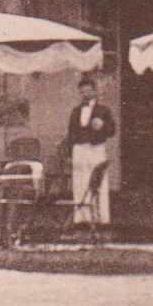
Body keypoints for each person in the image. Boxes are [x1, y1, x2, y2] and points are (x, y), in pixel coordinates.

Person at [67, 76, 116, 226]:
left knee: (98, 180)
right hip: (80, 149)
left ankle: (101, 217)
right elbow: (71, 132)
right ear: (79, 93)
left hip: (96, 148)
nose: (86, 94)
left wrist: (101, 127)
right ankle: (82, 218)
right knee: (80, 180)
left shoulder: (103, 110)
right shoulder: (76, 111)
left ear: (95, 91)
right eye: (83, 92)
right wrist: (72, 150)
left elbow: (112, 130)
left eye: (89, 91)